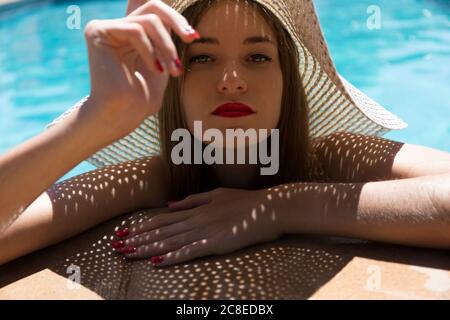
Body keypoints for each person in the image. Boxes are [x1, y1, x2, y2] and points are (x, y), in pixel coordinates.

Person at [0, 0, 449, 267]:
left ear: (287, 79)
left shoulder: (332, 154)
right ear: (171, 81)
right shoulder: (158, 176)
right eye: (201, 58)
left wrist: (275, 208)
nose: (232, 80)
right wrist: (96, 120)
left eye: (257, 58)